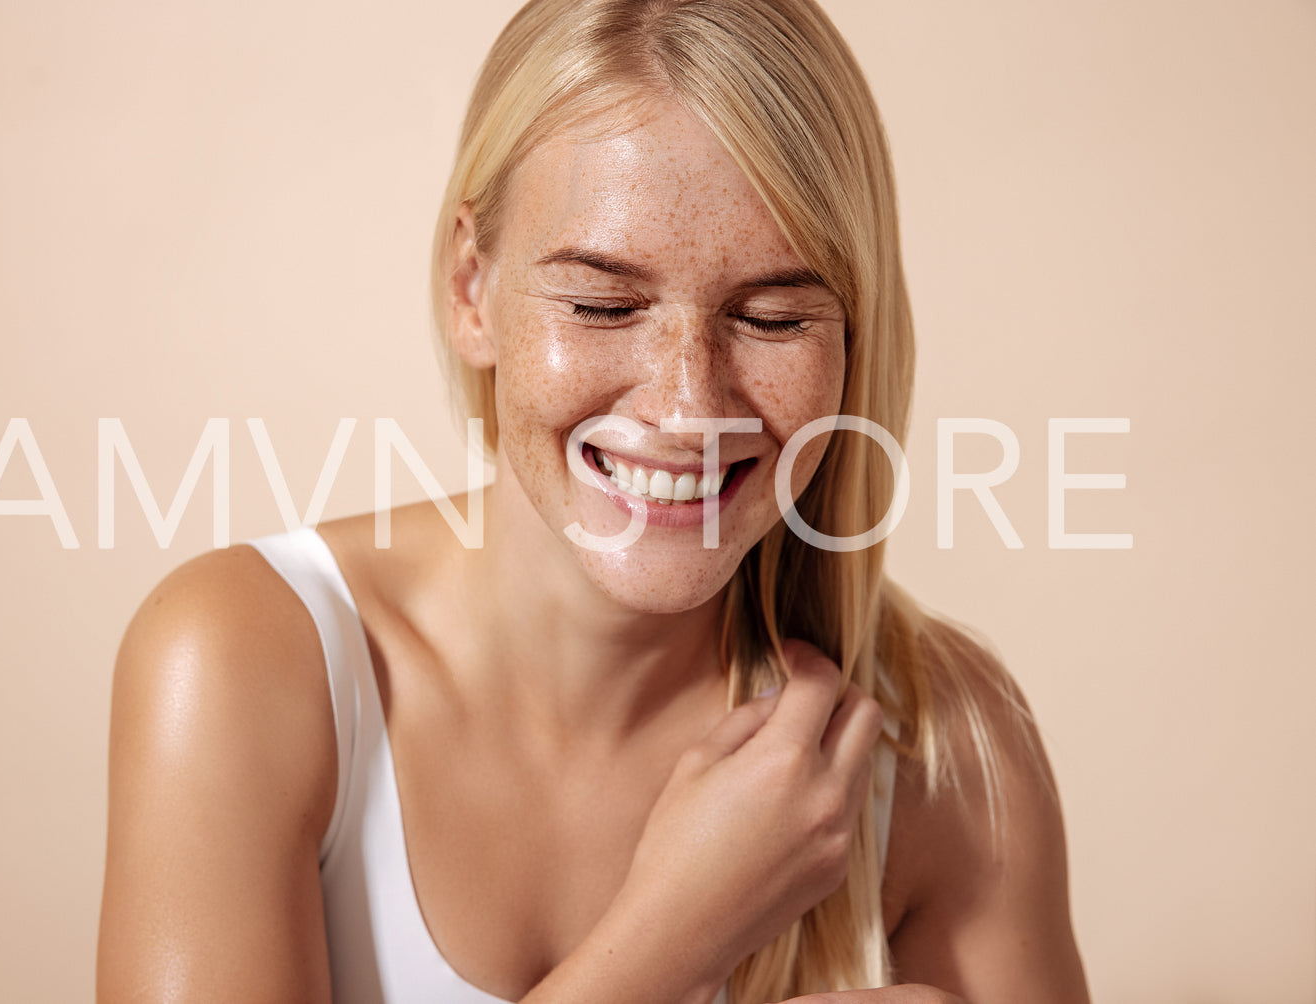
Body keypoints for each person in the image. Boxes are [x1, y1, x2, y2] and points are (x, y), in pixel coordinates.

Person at [96, 0, 1091, 1001]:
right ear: (469, 288)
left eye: (773, 316)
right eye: (603, 304)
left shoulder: (945, 744)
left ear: (852, 335)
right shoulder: (239, 659)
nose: (686, 402)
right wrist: (672, 929)